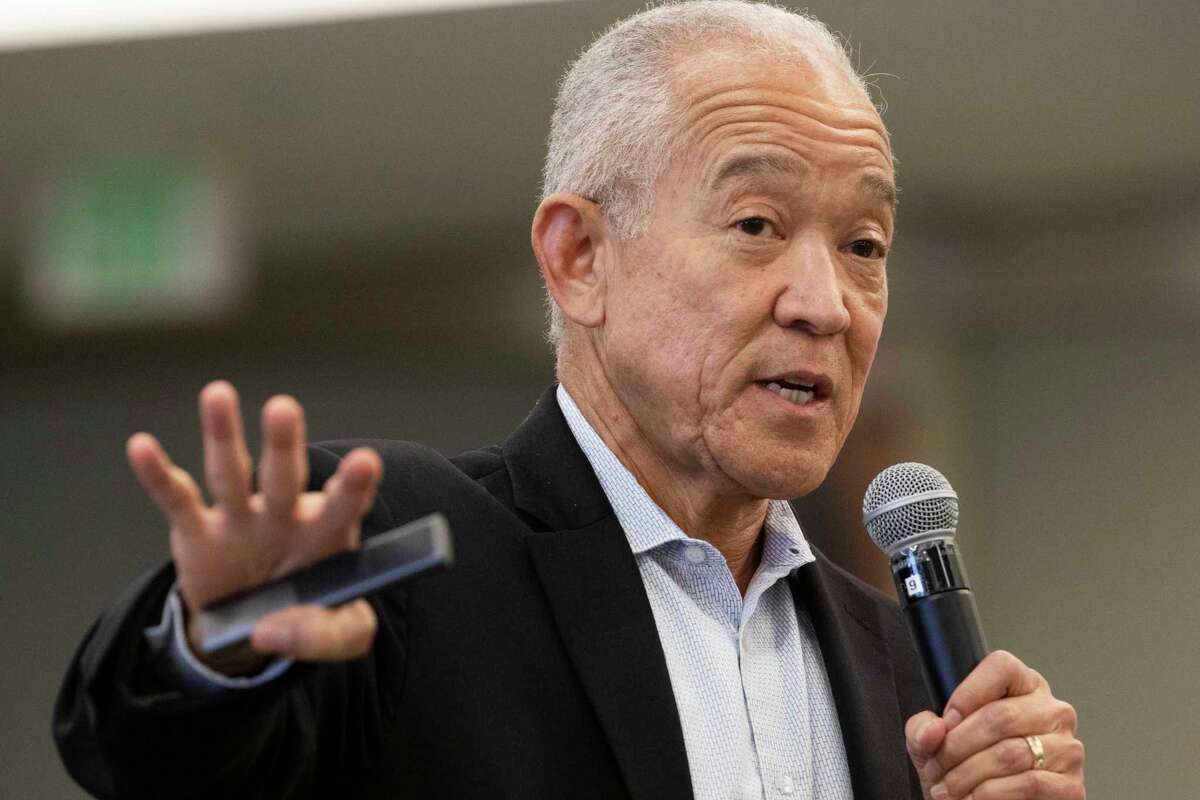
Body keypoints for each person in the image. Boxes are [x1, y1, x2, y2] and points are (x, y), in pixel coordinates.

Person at [54, 2, 1086, 798]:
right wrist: (213, 646)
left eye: (864, 245)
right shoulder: (406, 549)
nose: (825, 304)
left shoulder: (907, 672)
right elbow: (142, 756)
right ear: (580, 257)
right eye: (757, 225)